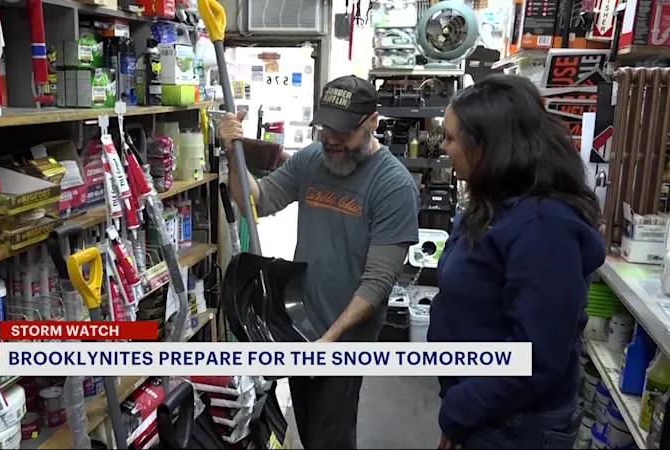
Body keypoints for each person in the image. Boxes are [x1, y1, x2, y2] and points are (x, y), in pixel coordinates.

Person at [218, 75, 421, 449]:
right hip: (302, 324)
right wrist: (234, 153)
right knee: (311, 427)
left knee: (332, 431)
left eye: (341, 131)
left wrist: (329, 340)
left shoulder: (393, 186)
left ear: (372, 122)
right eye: (325, 126)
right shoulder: (314, 158)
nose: (330, 138)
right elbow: (257, 201)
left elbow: (377, 282)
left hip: (344, 339)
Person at [429, 74, 605, 449]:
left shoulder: (543, 227)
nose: (443, 147)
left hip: (512, 424)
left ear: (487, 146)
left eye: (450, 137)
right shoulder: (494, 204)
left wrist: (460, 410)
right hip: (485, 411)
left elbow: (534, 357)